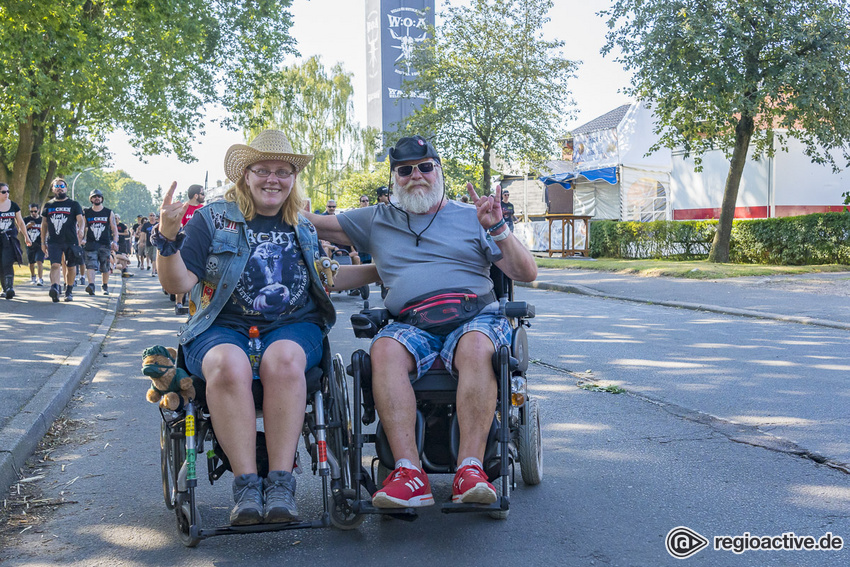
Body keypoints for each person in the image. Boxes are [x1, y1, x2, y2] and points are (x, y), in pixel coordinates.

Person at [155, 129, 377, 526]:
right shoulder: (212, 219)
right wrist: (167, 240)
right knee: (227, 364)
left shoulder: (302, 226)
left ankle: (279, 483)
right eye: (263, 170)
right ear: (246, 175)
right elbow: (177, 285)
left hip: (294, 326)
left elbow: (327, 277)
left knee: (285, 360)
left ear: (293, 178)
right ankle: (246, 486)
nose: (273, 178)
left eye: (283, 171)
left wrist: (383, 270)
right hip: (221, 326)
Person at [307, 135, 537, 509]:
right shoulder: (377, 220)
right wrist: (267, 190)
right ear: (395, 178)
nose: (416, 175)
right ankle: (409, 473)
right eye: (405, 170)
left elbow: (526, 272)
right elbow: (313, 223)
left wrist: (497, 228)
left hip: (473, 316)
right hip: (411, 322)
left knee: (478, 344)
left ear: (439, 171)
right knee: (383, 348)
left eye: (425, 167)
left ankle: (471, 469)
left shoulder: (472, 215)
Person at [41, 178, 85, 302]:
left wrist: (81, 230)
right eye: (57, 186)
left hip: (71, 240)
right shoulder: (49, 205)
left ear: (66, 188)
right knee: (55, 265)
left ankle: (69, 291)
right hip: (54, 241)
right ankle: (54, 288)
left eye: (62, 186)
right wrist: (43, 242)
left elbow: (81, 220)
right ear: (53, 189)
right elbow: (44, 225)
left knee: (71, 267)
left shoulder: (74, 204)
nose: (60, 188)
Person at [174, 184, 205, 315]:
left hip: (200, 246)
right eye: (203, 194)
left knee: (197, 277)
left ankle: (194, 305)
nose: (204, 196)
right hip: (185, 245)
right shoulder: (184, 208)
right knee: (183, 275)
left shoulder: (204, 209)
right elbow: (177, 226)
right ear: (196, 195)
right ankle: (179, 303)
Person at [82, 189, 119, 296]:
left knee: (105, 266)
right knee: (90, 265)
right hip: (91, 243)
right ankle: (91, 285)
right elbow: (83, 227)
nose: (97, 198)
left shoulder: (108, 212)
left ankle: (105, 286)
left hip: (105, 243)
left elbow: (114, 228)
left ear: (102, 198)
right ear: (91, 199)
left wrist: (115, 242)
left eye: (99, 196)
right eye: (94, 196)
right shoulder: (87, 212)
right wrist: (82, 238)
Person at [0, 183, 31, 299]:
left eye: (8, 191)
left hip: (9, 239)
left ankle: (9, 288)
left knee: (7, 262)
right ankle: (4, 288)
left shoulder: (13, 205)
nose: (6, 194)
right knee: (1, 265)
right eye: (3, 192)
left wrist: (26, 237)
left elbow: (20, 222)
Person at [23, 203, 45, 286]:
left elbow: (47, 231)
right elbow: (20, 231)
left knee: (39, 261)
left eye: (35, 211)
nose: (33, 213)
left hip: (40, 244)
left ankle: (40, 279)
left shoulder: (42, 220)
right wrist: (27, 226)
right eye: (31, 211)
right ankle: (33, 277)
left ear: (38, 210)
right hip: (30, 244)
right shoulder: (26, 219)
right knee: (31, 263)